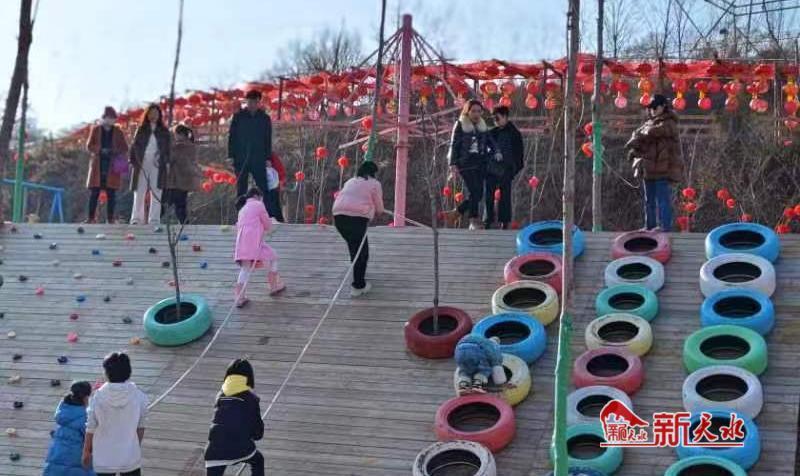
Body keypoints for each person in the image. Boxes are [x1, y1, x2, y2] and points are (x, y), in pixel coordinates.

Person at [82, 352, 148, 476]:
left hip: (104, 457)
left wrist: (86, 451)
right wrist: (135, 445)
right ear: (128, 372)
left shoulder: (98, 397)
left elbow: (90, 427)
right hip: (130, 457)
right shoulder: (139, 396)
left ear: (107, 373)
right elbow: (141, 427)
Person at [625, 94, 684, 231]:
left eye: (655, 107)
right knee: (649, 201)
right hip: (648, 168)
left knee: (663, 201)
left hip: (663, 169)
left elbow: (655, 132)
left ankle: (665, 228)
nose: (652, 110)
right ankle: (649, 226)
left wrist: (639, 136)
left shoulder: (670, 123)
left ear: (663, 106)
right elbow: (642, 138)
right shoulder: (648, 123)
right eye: (650, 108)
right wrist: (634, 151)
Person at [332, 161, 385, 297]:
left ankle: (358, 275)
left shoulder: (350, 181)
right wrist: (374, 209)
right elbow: (380, 209)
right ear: (374, 172)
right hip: (357, 219)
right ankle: (358, 286)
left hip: (338, 217)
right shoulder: (375, 184)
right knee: (362, 253)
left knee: (354, 248)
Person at [204, 359, 264, 476]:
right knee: (258, 460)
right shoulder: (251, 399)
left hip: (214, 451)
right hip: (241, 447)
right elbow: (258, 434)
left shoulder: (220, 396)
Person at [234, 187, 285, 307]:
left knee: (245, 269)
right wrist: (271, 222)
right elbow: (268, 225)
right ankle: (274, 286)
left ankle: (239, 297)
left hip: (242, 243)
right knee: (273, 257)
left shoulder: (242, 209)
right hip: (254, 242)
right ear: (256, 196)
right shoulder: (258, 204)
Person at [447, 99, 490, 230]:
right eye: (473, 111)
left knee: (478, 193)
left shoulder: (483, 126)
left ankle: (457, 212)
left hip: (480, 162)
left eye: (479, 111)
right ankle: (473, 220)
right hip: (465, 162)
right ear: (467, 112)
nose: (476, 114)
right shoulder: (460, 124)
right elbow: (454, 144)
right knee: (474, 190)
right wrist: (452, 163)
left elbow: (488, 143)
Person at [85, 106, 128, 224]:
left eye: (113, 118)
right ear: (104, 118)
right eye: (108, 118)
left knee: (111, 193)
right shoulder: (96, 130)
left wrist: (114, 151)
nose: (110, 120)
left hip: (112, 165)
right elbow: (89, 146)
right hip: (98, 164)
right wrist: (100, 150)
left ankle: (110, 218)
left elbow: (124, 147)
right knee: (94, 192)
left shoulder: (118, 132)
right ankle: (91, 217)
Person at [129, 103, 170, 225]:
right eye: (151, 113)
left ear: (160, 115)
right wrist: (133, 160)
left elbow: (168, 149)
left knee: (157, 191)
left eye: (156, 113)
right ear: (147, 115)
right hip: (142, 162)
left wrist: (165, 161)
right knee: (139, 190)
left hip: (157, 163)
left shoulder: (164, 131)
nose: (153, 116)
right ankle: (136, 218)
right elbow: (134, 146)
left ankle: (154, 219)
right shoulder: (141, 129)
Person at [43, 381, 95, 476]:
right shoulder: (86, 418)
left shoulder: (63, 413)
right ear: (86, 398)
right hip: (77, 463)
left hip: (56, 459)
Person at [485, 106, 525, 229]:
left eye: (497, 118)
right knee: (489, 195)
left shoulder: (515, 134)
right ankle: (488, 220)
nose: (496, 121)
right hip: (491, 168)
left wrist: (513, 169)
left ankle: (504, 221)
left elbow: (519, 154)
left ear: (505, 117)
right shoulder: (492, 132)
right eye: (494, 119)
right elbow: (485, 148)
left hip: (506, 168)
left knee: (505, 196)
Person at [228, 89, 272, 198]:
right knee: (241, 188)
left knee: (263, 187)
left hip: (259, 157)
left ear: (259, 102)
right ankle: (241, 208)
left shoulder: (265, 118)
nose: (252, 105)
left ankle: (265, 208)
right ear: (246, 102)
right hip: (241, 157)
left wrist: (268, 158)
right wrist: (231, 155)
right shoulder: (238, 117)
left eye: (255, 102)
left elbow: (267, 139)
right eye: (250, 102)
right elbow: (232, 137)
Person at [160, 124, 202, 224]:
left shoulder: (181, 147)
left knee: (169, 204)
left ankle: (156, 220)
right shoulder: (190, 146)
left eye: (176, 134)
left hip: (177, 181)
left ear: (181, 135)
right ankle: (184, 223)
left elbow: (174, 159)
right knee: (179, 205)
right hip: (181, 181)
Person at [264, 155, 285, 222]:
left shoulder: (273, 169)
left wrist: (280, 182)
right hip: (266, 189)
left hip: (274, 188)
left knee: (274, 204)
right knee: (268, 204)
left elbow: (280, 173)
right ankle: (271, 218)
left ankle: (277, 219)